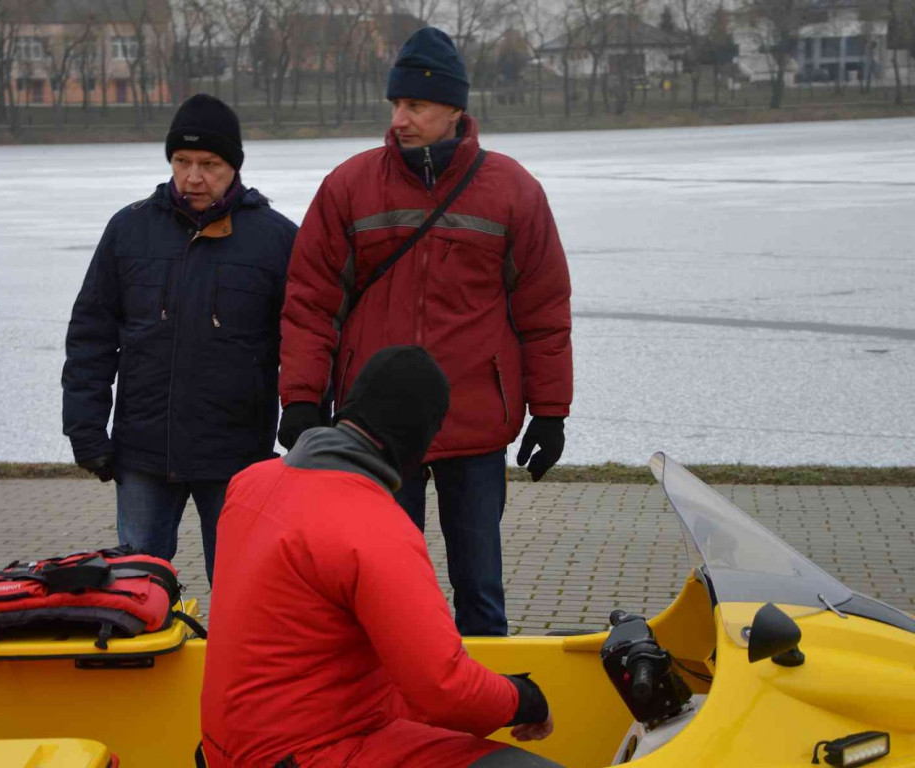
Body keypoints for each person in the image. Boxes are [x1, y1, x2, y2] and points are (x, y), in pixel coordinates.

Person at [276, 28, 573, 636]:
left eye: (415, 105)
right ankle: (385, 712)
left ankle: (485, 709)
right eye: (395, 105)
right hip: (377, 428)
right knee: (381, 590)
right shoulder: (349, 186)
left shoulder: (514, 190)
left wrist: (550, 410)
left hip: (475, 420)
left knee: (480, 593)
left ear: (455, 109)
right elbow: (310, 303)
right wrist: (302, 399)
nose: (400, 119)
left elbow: (543, 310)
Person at [201, 346, 559, 768]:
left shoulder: (249, 483)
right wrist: (526, 699)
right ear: (420, 435)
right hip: (310, 751)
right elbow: (444, 689)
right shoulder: (374, 526)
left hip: (229, 746)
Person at [62, 93, 297, 584]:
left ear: (233, 166)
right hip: (144, 452)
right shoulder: (128, 230)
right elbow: (91, 335)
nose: (194, 176)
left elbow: (303, 342)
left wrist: (305, 426)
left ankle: (232, 665)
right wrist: (85, 428)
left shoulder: (276, 239)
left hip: (236, 458)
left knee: (243, 592)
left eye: (209, 164)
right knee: (134, 592)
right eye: (182, 161)